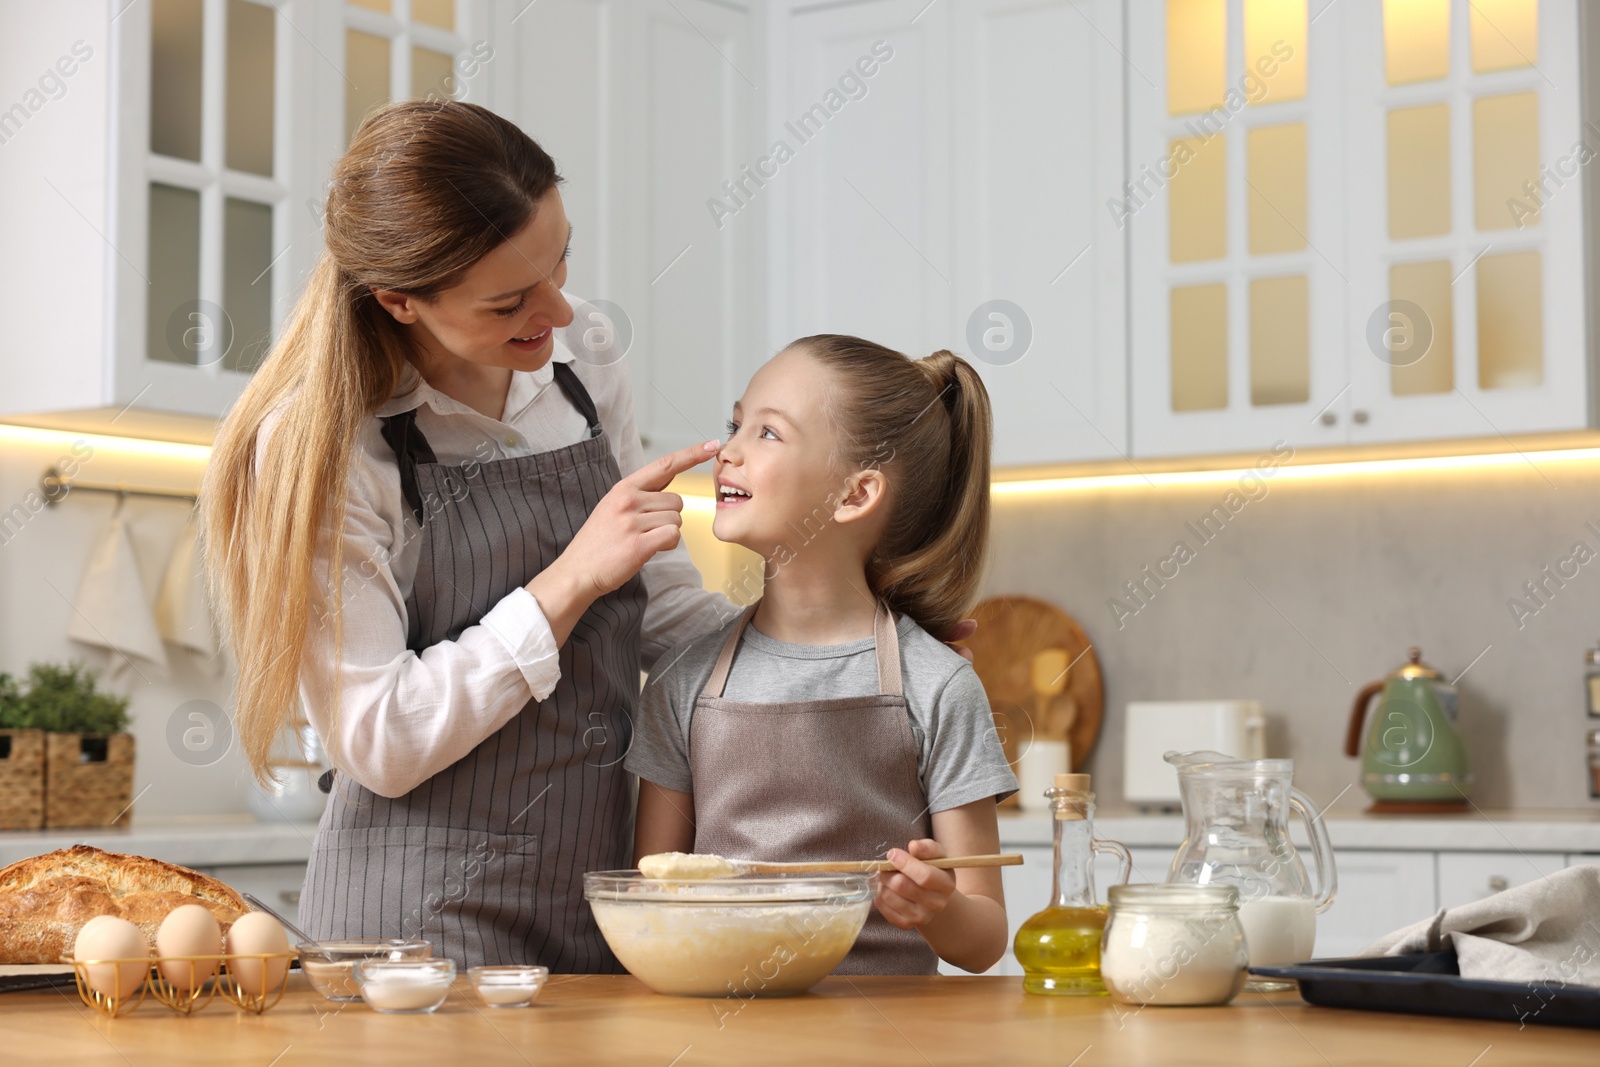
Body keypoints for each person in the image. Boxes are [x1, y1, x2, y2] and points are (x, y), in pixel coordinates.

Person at [200, 100, 733, 971]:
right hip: (414, 922)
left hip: (596, 888)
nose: (558, 310)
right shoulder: (322, 445)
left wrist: (839, 648)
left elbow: (660, 606)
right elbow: (380, 741)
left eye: (561, 260)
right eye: (510, 301)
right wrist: (566, 583)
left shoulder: (582, 356)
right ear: (399, 300)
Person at [627, 336, 1018, 975]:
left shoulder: (939, 685)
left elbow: (983, 942)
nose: (728, 450)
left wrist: (938, 907)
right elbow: (650, 899)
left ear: (855, 494)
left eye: (768, 434)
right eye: (736, 425)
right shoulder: (681, 681)